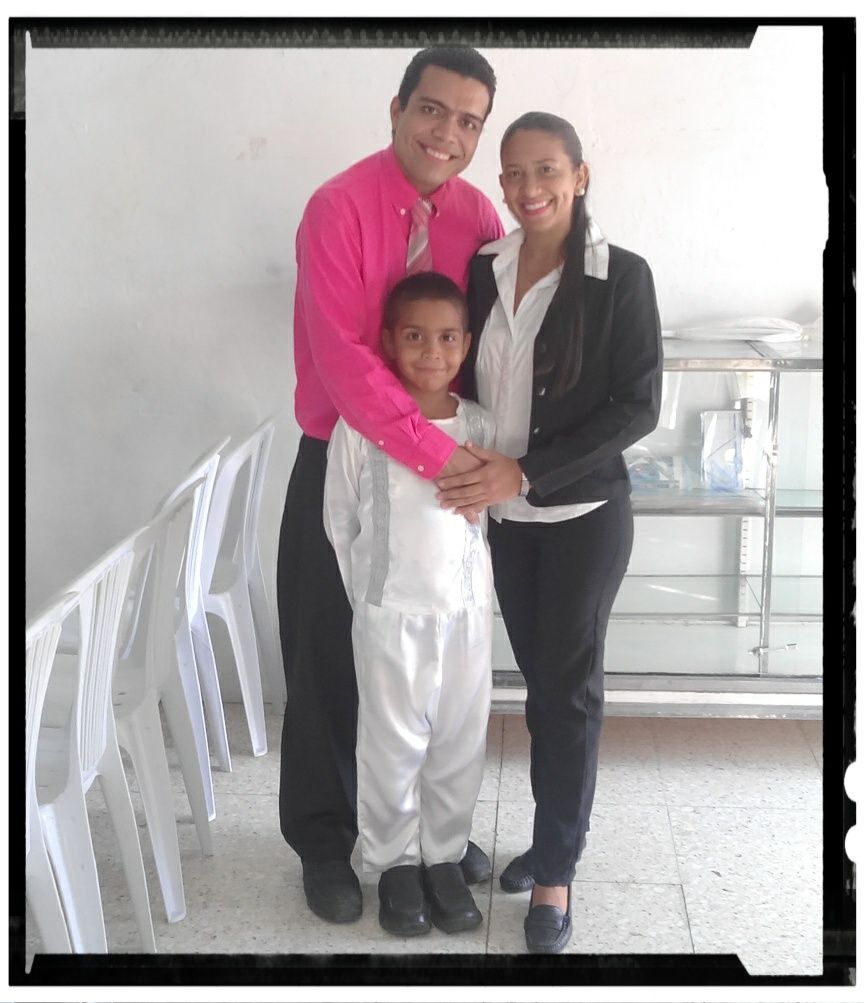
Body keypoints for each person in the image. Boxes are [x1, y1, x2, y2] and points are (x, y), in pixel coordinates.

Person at [277, 46, 505, 925]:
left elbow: (484, 345)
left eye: (468, 121)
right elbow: (344, 361)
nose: (447, 133)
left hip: (448, 470)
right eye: (432, 109)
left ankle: (425, 837)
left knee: (434, 673)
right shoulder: (337, 208)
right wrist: (437, 455)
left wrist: (486, 453)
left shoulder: (478, 215)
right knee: (330, 657)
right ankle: (325, 838)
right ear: (398, 108)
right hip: (344, 455)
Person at [436, 111, 663, 953]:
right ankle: (552, 833)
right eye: (513, 173)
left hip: (581, 519)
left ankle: (556, 872)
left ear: (579, 176)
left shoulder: (619, 277)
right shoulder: (484, 267)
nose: (528, 189)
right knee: (541, 688)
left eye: (546, 170)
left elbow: (637, 406)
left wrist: (526, 472)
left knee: (565, 695)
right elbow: (470, 377)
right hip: (504, 521)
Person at [323, 272, 496, 938]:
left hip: (465, 617)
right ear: (390, 342)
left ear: (467, 343)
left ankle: (443, 855)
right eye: (416, 336)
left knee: (458, 739)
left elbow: (492, 512)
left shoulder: (478, 424)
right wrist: (371, 598)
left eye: (448, 337)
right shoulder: (361, 427)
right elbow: (340, 519)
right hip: (390, 615)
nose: (432, 351)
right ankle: (393, 861)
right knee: (391, 744)